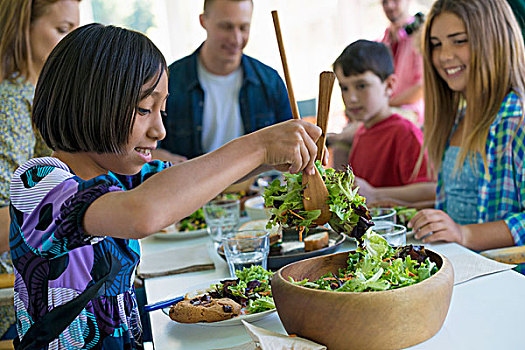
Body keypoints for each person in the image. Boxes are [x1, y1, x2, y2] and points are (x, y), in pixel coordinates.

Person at [10, 23, 323, 349]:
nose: (160, 130)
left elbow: (190, 178)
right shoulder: (38, 183)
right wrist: (259, 146)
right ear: (89, 103)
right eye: (145, 109)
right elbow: (142, 214)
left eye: (162, 110)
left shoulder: (116, 178)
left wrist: (273, 157)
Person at [409, 0, 525, 258]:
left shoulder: (518, 117)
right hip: (456, 267)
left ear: (494, 40)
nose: (443, 56)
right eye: (436, 44)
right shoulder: (456, 118)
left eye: (459, 40)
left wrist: (464, 234)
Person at [0, 0, 80, 340]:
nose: (71, 46)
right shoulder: (12, 102)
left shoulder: (38, 94)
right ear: (22, 28)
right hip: (21, 297)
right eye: (62, 31)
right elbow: (6, 219)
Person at [155, 0, 292, 162]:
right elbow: (143, 148)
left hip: (257, 187)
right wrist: (160, 158)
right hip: (191, 186)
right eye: (226, 27)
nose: (236, 38)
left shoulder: (271, 82)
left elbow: (291, 143)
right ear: (203, 21)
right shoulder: (169, 81)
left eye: (243, 28)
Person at [333, 40, 435, 208]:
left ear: (389, 85)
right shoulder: (360, 132)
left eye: (361, 86)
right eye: (344, 88)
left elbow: (431, 190)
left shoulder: (404, 131)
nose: (351, 98)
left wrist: (375, 194)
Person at [380, 0, 424, 125]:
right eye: (384, 2)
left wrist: (386, 103)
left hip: (412, 114)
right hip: (387, 110)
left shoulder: (419, 36)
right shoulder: (384, 39)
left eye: (395, 0)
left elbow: (421, 88)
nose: (389, 5)